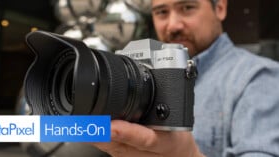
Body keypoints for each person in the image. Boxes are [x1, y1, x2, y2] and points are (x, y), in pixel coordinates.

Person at [91, 0, 279, 156]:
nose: (173, 25)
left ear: (220, 8)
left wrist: (189, 155)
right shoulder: (136, 76)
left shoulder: (257, 77)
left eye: (187, 8)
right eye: (162, 12)